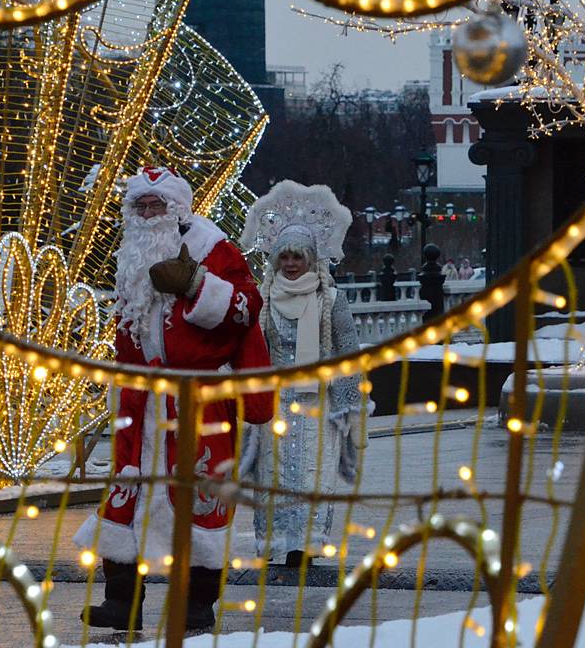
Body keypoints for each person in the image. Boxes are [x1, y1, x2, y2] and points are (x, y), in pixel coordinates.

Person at [74, 166, 273, 632]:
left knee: (202, 499)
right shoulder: (129, 251)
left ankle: (197, 604)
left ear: (178, 207)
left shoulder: (212, 247)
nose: (146, 214)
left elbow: (248, 307)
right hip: (139, 400)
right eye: (139, 206)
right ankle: (123, 602)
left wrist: (196, 285)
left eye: (155, 205)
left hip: (198, 397)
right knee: (127, 498)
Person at [239, 181, 367, 568]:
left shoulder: (330, 299)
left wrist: (350, 408)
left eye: (298, 257)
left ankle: (305, 548)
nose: (291, 264)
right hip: (275, 404)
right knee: (274, 477)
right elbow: (251, 350)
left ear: (311, 259)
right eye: (285, 257)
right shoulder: (262, 300)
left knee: (312, 475)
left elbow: (348, 353)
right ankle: (276, 545)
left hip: (318, 405)